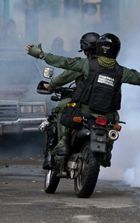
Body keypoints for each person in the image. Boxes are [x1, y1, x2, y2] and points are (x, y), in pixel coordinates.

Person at [26, 32, 140, 165]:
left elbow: (63, 61)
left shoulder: (87, 64)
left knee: (65, 110)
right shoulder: (121, 72)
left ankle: (63, 142)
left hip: (85, 111)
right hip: (107, 115)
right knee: (114, 121)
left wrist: (41, 54)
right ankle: (107, 151)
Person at [42, 32, 100, 169]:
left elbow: (63, 78)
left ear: (85, 48)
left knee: (61, 110)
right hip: (104, 108)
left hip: (84, 105)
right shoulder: (112, 67)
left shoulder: (85, 64)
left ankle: (62, 143)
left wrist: (50, 85)